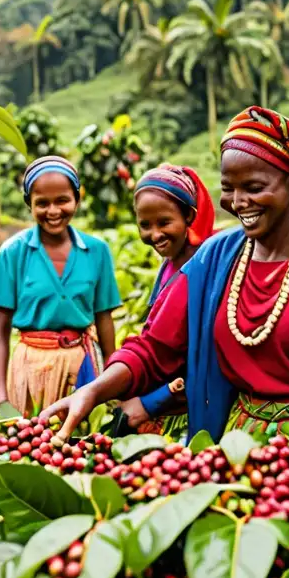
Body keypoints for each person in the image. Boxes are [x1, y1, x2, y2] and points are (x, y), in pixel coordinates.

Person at [40, 106, 289, 448]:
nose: (239, 202)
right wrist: (92, 392)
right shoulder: (213, 259)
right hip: (236, 443)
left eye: (254, 188)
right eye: (228, 189)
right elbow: (154, 349)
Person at [0, 156, 122, 417]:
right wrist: (0, 395)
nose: (53, 211)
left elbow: (104, 320)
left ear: (77, 199)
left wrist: (111, 379)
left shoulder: (97, 252)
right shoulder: (13, 253)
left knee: (81, 447)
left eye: (62, 200)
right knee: (31, 446)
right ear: (29, 205)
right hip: (29, 370)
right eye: (42, 203)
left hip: (80, 366)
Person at [116, 164, 215, 438]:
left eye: (164, 222)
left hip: (195, 403)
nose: (155, 234)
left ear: (189, 216)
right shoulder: (169, 265)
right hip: (169, 396)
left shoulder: (205, 267)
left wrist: (149, 401)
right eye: (145, 225)